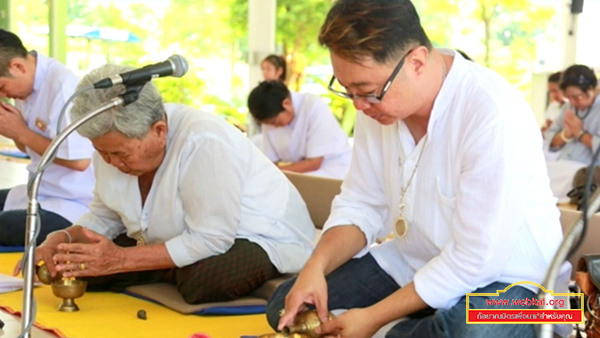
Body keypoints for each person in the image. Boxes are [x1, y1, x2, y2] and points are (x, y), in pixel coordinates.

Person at [265, 1, 568, 337]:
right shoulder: (376, 107)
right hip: (415, 264)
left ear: (417, 62)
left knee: (468, 333)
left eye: (367, 92)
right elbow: (361, 204)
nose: (359, 106)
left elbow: (477, 260)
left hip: (524, 288)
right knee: (288, 306)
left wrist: (373, 318)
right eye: (348, 92)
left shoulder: (492, 112)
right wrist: (315, 267)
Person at [15, 64, 316, 304]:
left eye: (119, 153)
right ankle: (161, 264)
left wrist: (121, 259)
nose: (111, 163)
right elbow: (104, 214)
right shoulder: (109, 144)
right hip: (168, 238)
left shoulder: (203, 140)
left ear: (159, 130)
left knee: (207, 280)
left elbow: (212, 239)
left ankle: (156, 265)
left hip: (254, 238)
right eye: (102, 153)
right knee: (73, 263)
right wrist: (62, 238)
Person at [0, 29, 95, 246]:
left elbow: (79, 161)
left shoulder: (63, 86)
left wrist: (20, 131)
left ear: (17, 66)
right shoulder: (25, 86)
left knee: (3, 226)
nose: (4, 95)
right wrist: (13, 131)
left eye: (1, 87)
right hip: (41, 192)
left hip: (73, 203)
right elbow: (29, 148)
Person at [247, 81, 351, 179]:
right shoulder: (270, 115)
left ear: (286, 104)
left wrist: (274, 172)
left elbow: (314, 163)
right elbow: (270, 162)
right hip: (298, 173)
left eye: (275, 122)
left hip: (334, 168)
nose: (274, 127)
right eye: (268, 124)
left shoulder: (313, 106)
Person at [545, 65, 600, 165]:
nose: (573, 102)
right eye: (568, 97)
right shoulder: (568, 107)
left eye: (576, 97)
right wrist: (565, 135)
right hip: (563, 164)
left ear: (591, 89)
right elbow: (549, 138)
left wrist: (580, 134)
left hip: (590, 172)